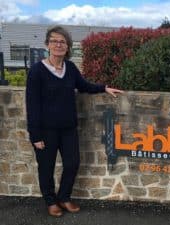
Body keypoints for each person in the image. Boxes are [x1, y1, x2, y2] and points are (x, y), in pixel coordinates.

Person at [26, 25, 124, 217]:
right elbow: (32, 105)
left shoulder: (70, 68)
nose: (58, 45)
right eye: (54, 41)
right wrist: (35, 135)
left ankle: (64, 197)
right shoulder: (37, 71)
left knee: (72, 163)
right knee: (46, 168)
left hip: (68, 128)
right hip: (46, 130)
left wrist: (104, 88)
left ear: (68, 47)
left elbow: (84, 85)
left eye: (62, 42)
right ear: (47, 44)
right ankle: (50, 201)